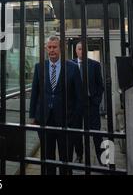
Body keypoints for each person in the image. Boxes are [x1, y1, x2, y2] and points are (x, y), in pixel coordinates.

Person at [29, 36, 83, 175]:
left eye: (55, 47)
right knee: (48, 158)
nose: (51, 50)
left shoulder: (72, 68)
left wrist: (75, 121)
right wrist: (33, 116)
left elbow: (79, 97)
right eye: (49, 47)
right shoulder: (39, 67)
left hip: (66, 121)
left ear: (61, 48)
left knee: (65, 159)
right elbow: (35, 93)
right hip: (45, 120)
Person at [72, 41, 105, 165]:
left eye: (84, 49)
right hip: (76, 105)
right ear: (76, 51)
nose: (82, 51)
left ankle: (102, 159)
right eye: (79, 49)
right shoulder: (70, 64)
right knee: (76, 133)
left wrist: (96, 101)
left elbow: (100, 85)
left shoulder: (95, 65)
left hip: (91, 104)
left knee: (96, 133)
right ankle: (79, 155)